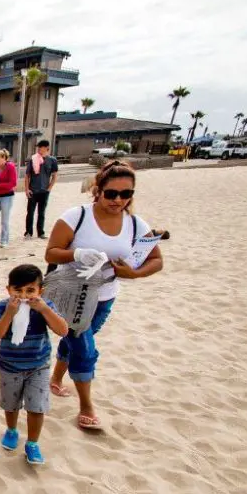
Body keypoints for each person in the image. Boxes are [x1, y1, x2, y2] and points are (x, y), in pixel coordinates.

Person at [44, 160, 163, 430]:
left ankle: (55, 379)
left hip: (106, 295)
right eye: (111, 193)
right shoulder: (77, 216)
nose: (118, 200)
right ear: (98, 190)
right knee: (85, 348)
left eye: (126, 194)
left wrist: (134, 274)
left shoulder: (135, 224)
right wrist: (77, 254)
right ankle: (87, 407)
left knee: (76, 340)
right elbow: (51, 252)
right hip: (72, 296)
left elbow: (156, 259)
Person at [0, 265, 68, 466]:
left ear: (40, 291)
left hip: (38, 366)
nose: (23, 296)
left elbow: (63, 330)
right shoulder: (1, 306)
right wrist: (9, 314)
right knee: (10, 404)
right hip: (9, 364)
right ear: (8, 290)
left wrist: (44, 309)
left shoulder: (44, 305)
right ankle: (12, 430)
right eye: (18, 290)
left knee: (36, 407)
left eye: (30, 290)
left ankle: (32, 443)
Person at [24, 139, 59, 239]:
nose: (39, 148)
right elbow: (27, 176)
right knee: (30, 212)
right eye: (38, 147)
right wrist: (27, 189)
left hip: (44, 191)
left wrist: (49, 189)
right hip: (33, 190)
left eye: (41, 147)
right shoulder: (33, 159)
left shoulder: (52, 160)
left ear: (47, 148)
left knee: (41, 213)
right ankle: (28, 233)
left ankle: (41, 233)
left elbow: (55, 176)